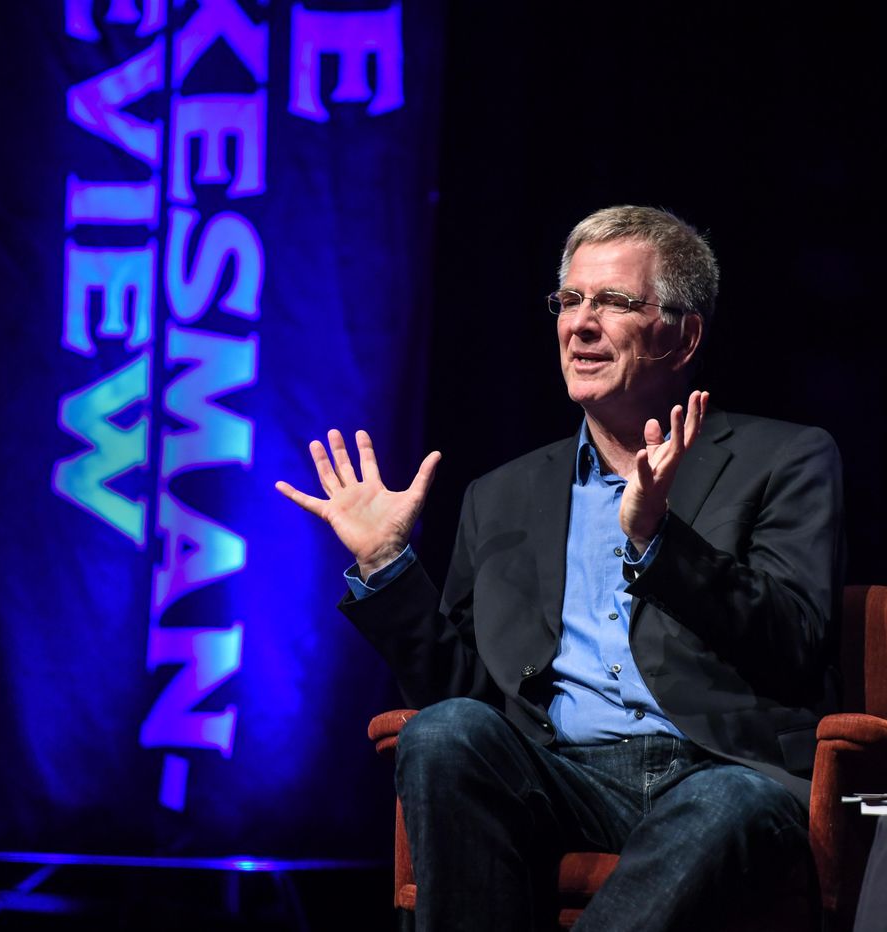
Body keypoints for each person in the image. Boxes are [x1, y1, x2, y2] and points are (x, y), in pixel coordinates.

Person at [276, 206, 845, 931]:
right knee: (443, 733)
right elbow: (465, 699)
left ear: (683, 335)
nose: (580, 324)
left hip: (716, 775)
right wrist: (388, 565)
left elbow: (795, 643)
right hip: (562, 776)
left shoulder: (784, 460)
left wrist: (657, 539)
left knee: (733, 802)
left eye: (613, 301)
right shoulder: (503, 495)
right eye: (570, 300)